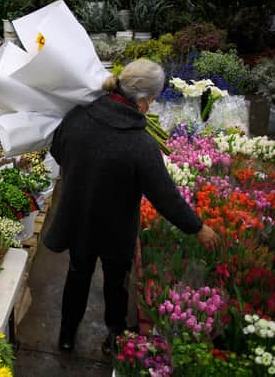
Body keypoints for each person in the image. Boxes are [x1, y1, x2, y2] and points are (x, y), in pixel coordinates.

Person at [44, 59, 220, 354]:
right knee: (116, 284)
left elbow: (58, 149)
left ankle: (66, 336)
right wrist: (198, 227)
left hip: (80, 220)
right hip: (116, 229)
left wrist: (84, 175)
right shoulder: (141, 145)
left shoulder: (77, 118)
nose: (151, 105)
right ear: (143, 100)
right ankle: (115, 336)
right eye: (152, 99)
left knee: (78, 275)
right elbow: (165, 197)